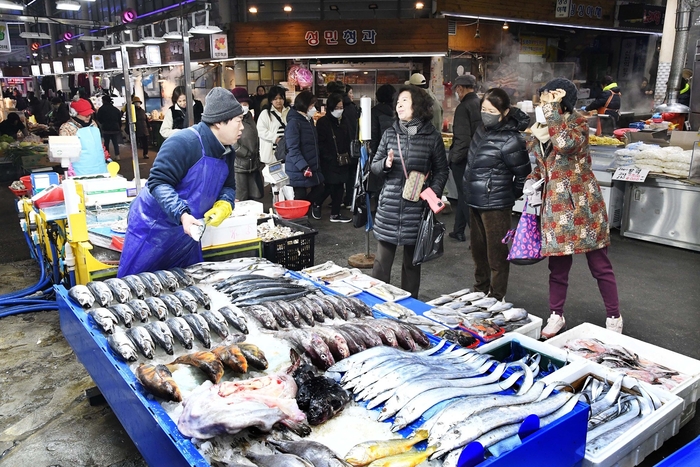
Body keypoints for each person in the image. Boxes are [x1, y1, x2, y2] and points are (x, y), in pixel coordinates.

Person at [527, 78, 622, 338]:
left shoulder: (577, 122)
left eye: (549, 97)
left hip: (583, 207)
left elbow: (565, 145)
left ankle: (614, 315)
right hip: (555, 207)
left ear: (562, 99)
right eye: (543, 97)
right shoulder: (542, 126)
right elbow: (541, 164)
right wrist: (531, 181)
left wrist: (551, 113)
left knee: (599, 264)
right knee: (557, 268)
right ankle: (556, 314)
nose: (543, 102)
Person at [118, 87, 245, 276]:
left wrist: (225, 203)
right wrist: (182, 214)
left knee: (186, 286)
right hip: (153, 229)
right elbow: (158, 183)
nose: (242, 127)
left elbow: (227, 186)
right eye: (238, 121)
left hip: (188, 231)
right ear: (219, 122)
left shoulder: (227, 151)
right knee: (137, 286)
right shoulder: (184, 142)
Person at [370, 85, 449, 298]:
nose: (399, 105)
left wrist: (433, 192)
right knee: (381, 264)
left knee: (412, 264)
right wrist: (385, 164)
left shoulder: (432, 137)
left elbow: (442, 170)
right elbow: (374, 166)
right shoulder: (389, 133)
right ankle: (376, 302)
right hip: (390, 206)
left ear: (418, 106)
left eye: (405, 100)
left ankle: (409, 305)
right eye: (398, 101)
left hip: (417, 207)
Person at [463, 88, 531, 302]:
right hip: (474, 198)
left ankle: (496, 295)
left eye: (491, 110)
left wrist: (507, 195)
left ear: (504, 111)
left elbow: (523, 174)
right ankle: (480, 288)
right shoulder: (481, 130)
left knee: (496, 254)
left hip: (496, 204)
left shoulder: (513, 140)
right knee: (478, 251)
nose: (485, 113)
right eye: (483, 109)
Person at [448, 74, 482, 242]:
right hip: (478, 156)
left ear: (460, 88)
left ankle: (477, 236)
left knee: (465, 197)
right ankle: (458, 230)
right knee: (464, 195)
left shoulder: (463, 107)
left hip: (463, 158)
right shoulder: (481, 103)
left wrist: (454, 159)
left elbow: (462, 138)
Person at [284, 91, 324, 219]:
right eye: (312, 105)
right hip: (299, 168)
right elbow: (293, 149)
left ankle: (303, 216)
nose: (314, 109)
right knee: (300, 197)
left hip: (311, 165)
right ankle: (298, 222)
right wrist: (303, 167)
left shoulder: (308, 120)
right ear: (305, 105)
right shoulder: (294, 123)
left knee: (319, 188)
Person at [316, 92, 352, 223]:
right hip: (329, 160)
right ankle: (317, 203)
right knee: (331, 185)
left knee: (339, 186)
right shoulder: (323, 122)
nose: (340, 110)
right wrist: (328, 157)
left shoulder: (344, 120)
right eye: (337, 107)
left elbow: (347, 138)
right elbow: (321, 143)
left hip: (343, 159)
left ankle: (335, 213)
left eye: (341, 107)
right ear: (330, 107)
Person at [231, 87, 264, 201]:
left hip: (253, 163)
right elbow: (231, 142)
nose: (244, 106)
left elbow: (255, 135)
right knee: (241, 198)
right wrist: (245, 153)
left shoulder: (249, 116)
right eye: (241, 103)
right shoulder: (230, 119)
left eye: (246, 103)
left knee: (254, 197)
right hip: (239, 165)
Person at [60, 99, 108, 175]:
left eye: (89, 114)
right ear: (74, 113)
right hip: (81, 171)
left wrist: (105, 154)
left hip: (101, 168)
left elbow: (98, 143)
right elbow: (64, 151)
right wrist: (68, 168)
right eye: (85, 114)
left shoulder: (93, 124)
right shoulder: (67, 128)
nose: (88, 116)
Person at [257, 85, 290, 165]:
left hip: (287, 153)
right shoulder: (265, 114)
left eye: (280, 98)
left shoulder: (289, 111)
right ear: (271, 100)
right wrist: (275, 138)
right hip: (271, 155)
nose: (278, 101)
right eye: (275, 99)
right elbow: (261, 131)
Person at [96, 95, 123, 161]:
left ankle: (107, 156)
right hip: (115, 128)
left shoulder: (101, 109)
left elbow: (98, 118)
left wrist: (102, 123)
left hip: (106, 128)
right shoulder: (115, 109)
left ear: (104, 101)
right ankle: (117, 155)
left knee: (106, 143)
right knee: (115, 142)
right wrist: (119, 126)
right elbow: (119, 117)